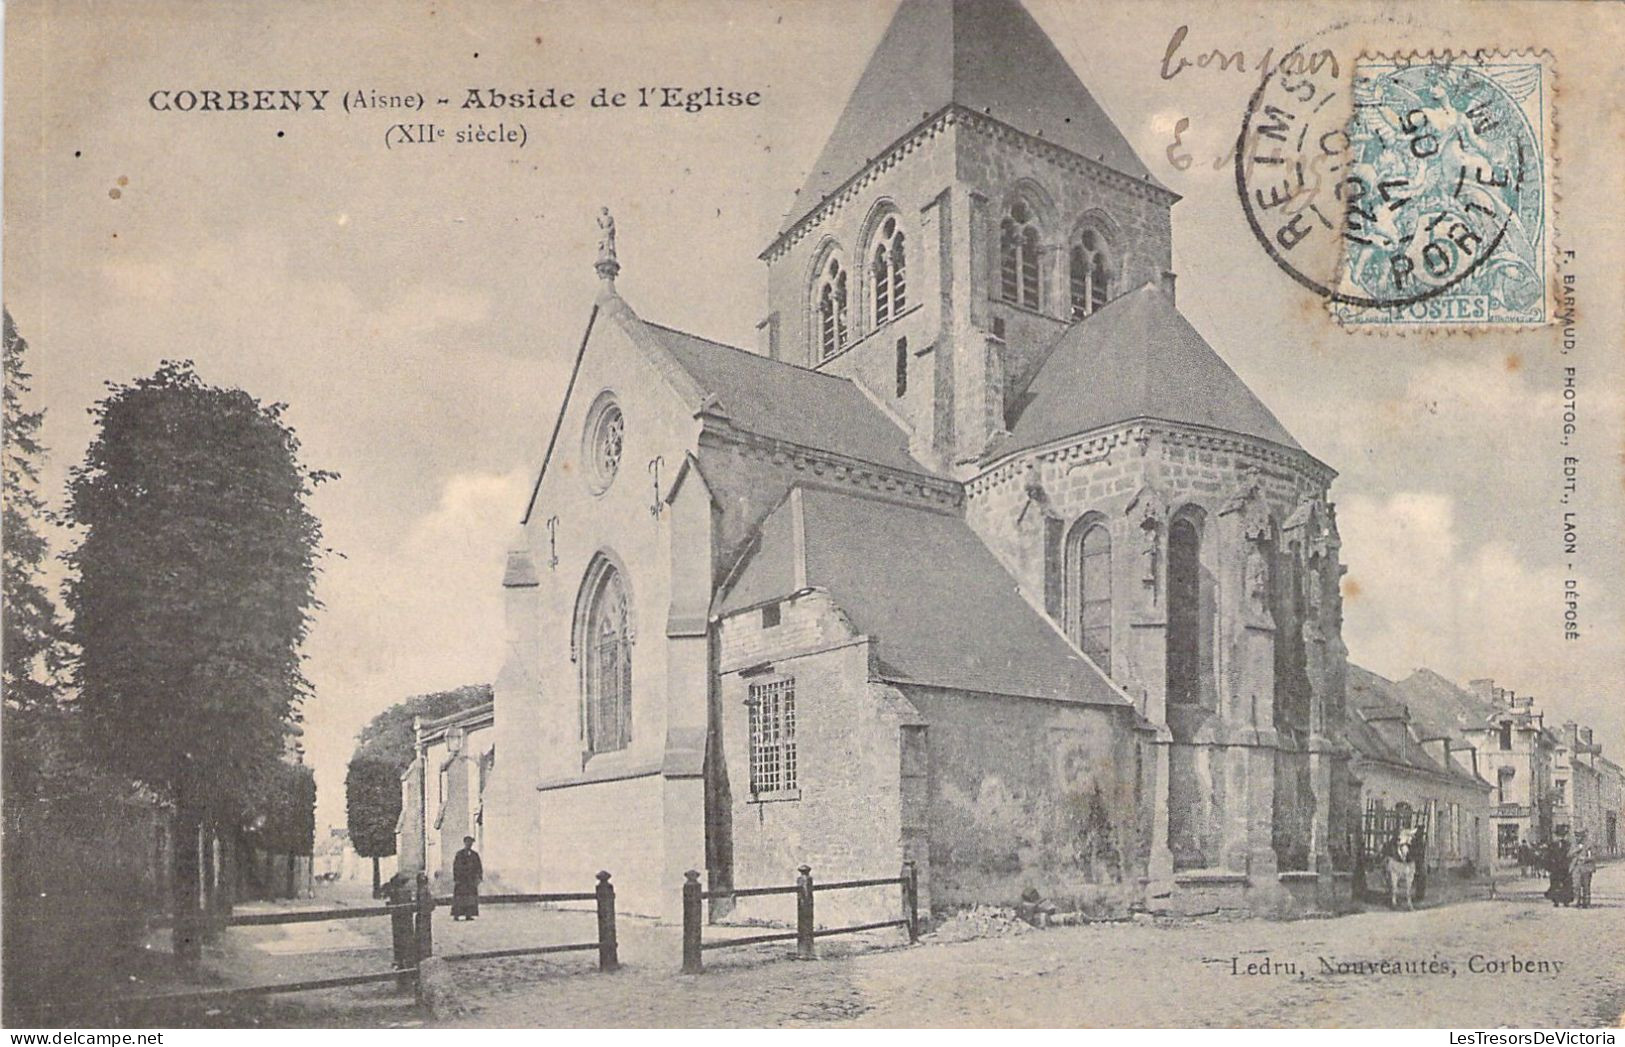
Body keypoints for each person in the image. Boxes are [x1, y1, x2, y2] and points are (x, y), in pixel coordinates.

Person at [452, 836, 483, 920]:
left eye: (471, 843)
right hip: (461, 880)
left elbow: (479, 867)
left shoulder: (475, 855)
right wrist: (456, 878)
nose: (469, 844)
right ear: (464, 843)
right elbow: (455, 866)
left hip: (471, 880)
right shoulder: (459, 854)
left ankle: (468, 914)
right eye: (468, 842)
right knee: (460, 898)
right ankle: (456, 915)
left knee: (470, 898)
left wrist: (479, 877)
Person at [1544, 831, 1574, 907]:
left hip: (1565, 869)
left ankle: (1566, 901)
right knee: (1555, 885)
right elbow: (1548, 857)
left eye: (1562, 836)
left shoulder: (1568, 845)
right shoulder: (1552, 845)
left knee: (1566, 885)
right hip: (1555, 869)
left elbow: (1571, 856)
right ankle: (1556, 901)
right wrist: (1548, 869)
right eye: (1559, 836)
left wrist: (1570, 866)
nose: (1560, 838)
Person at [1570, 832, 1596, 909]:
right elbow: (1569, 854)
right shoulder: (1574, 844)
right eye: (1576, 836)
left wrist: (1585, 859)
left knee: (1586, 886)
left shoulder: (1589, 844)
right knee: (1576, 885)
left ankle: (1586, 902)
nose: (1578, 838)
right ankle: (1577, 901)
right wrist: (1577, 849)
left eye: (1579, 836)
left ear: (1583, 836)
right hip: (1576, 867)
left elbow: (1594, 856)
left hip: (1586, 867)